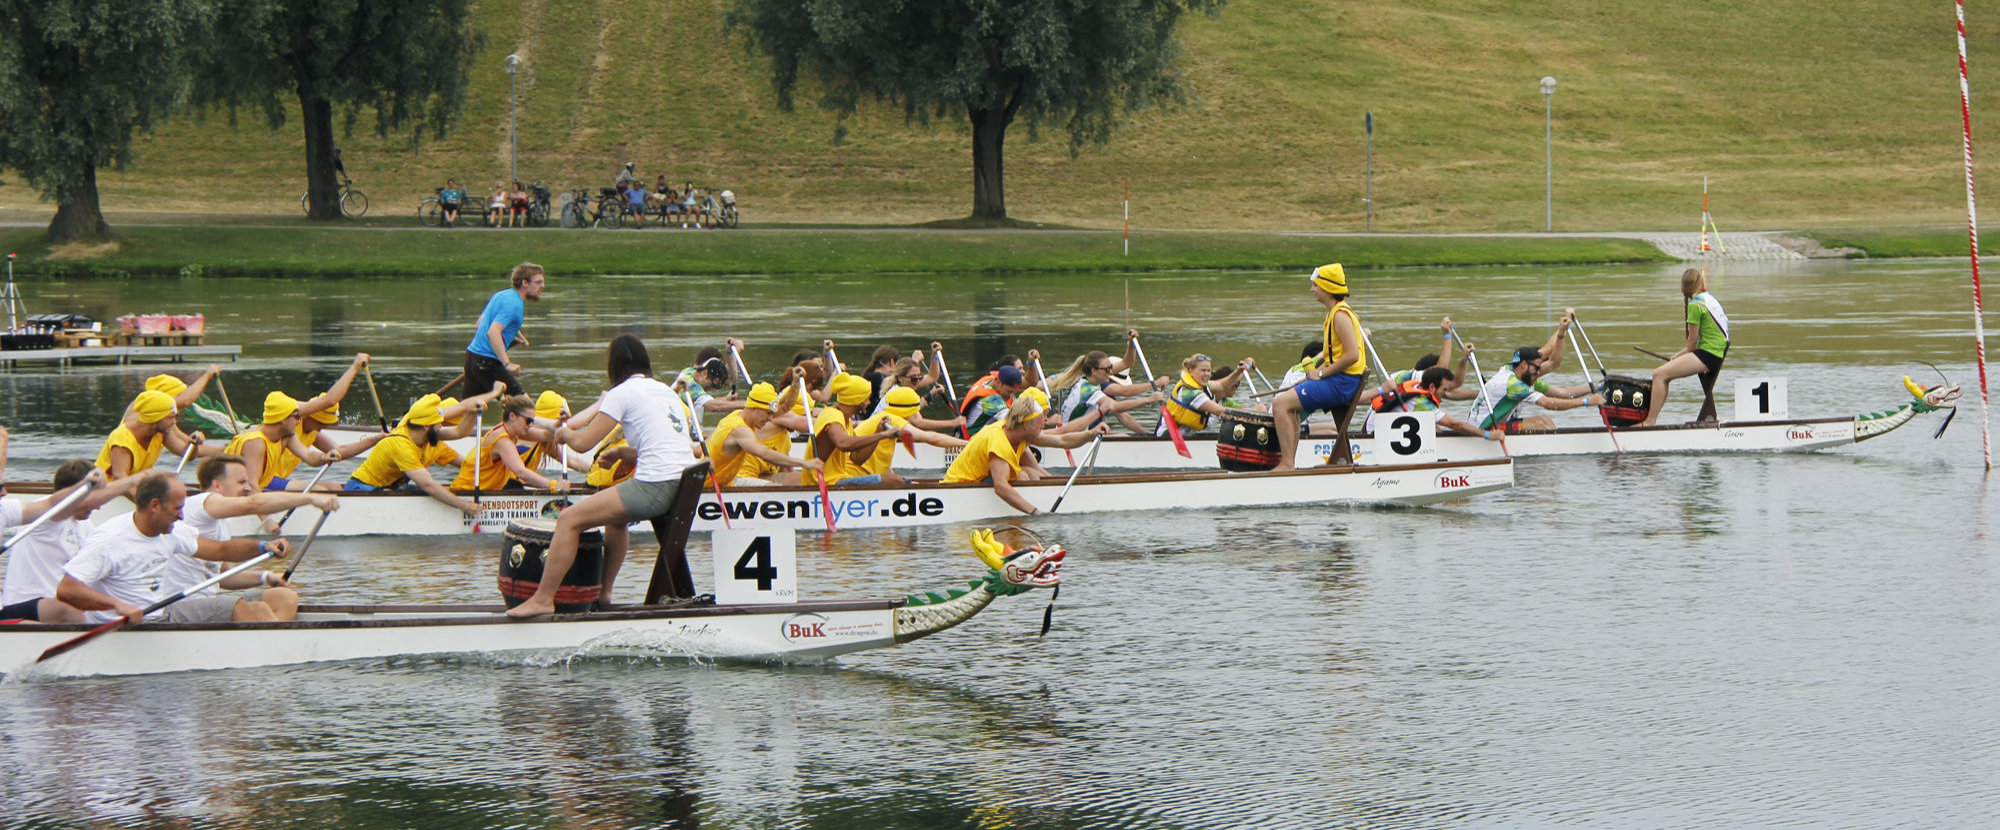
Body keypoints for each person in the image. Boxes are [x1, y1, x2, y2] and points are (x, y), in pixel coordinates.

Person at [507, 334, 700, 618]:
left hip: (657, 486)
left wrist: (564, 434)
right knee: (616, 521)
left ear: (614, 367)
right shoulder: (665, 391)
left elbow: (584, 443)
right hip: (682, 484)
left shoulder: (622, 393)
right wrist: (624, 454)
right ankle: (604, 593)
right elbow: (669, 447)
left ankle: (543, 599)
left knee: (569, 519)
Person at [57, 472, 294, 625]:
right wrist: (118, 606)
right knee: (240, 607)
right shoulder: (110, 540)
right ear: (155, 506)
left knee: (280, 600)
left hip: (160, 614)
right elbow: (67, 589)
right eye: (177, 509)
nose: (182, 516)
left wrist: (263, 546)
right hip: (123, 625)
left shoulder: (171, 530)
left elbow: (220, 551)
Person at [178, 454, 338, 619]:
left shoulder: (222, 521)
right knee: (259, 609)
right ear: (217, 486)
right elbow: (253, 504)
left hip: (209, 600)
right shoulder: (202, 502)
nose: (248, 488)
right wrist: (310, 498)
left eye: (247, 482)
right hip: (182, 605)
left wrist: (265, 577)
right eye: (241, 482)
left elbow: (225, 576)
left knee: (285, 597)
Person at [0, 453, 136, 623]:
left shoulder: (85, 526)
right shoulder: (45, 518)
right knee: (70, 610)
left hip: (60, 607)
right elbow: (55, 505)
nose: (99, 506)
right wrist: (131, 481)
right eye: (95, 498)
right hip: (25, 606)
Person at [1273, 264, 1368, 469]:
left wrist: (1321, 373)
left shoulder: (1340, 315)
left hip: (1343, 384)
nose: (1312, 289)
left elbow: (1352, 355)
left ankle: (1287, 464)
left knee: (1280, 404)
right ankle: (1289, 462)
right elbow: (1336, 355)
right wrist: (1315, 373)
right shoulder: (1336, 313)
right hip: (1341, 380)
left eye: (1315, 285)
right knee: (1292, 408)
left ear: (1326, 287)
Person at [941, 394, 1101, 515]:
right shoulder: (998, 440)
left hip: (976, 482)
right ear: (1026, 424)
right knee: (1024, 476)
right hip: (959, 487)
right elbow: (1000, 487)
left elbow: (1062, 440)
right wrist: (1035, 513)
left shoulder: (1020, 433)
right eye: (1040, 422)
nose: (1044, 425)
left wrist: (1091, 434)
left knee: (1032, 472)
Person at [343, 394, 483, 518]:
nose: (442, 426)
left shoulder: (425, 432)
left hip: (392, 489)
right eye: (439, 423)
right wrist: (465, 506)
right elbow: (428, 485)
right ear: (426, 426)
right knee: (427, 489)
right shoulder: (401, 445)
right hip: (361, 488)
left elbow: (460, 433)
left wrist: (472, 412)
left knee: (439, 491)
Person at [1639, 268, 1730, 426]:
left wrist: (1680, 357)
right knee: (1664, 376)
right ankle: (1651, 420)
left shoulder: (1695, 305)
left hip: (1708, 355)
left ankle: (1649, 422)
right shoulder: (1708, 298)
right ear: (1700, 283)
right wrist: (1677, 356)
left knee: (1659, 375)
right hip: (1713, 353)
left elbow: (1692, 342)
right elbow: (1695, 344)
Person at [826, 386, 967, 486]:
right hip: (851, 478)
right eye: (916, 412)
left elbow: (882, 463)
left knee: (904, 481)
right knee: (899, 482)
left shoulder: (885, 418)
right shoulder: (893, 419)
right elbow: (932, 438)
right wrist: (968, 444)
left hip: (861, 473)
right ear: (908, 410)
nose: (918, 416)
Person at [1466, 337, 1604, 433]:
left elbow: (1562, 393)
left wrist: (1562, 329)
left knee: (1545, 419)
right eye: (1537, 368)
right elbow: (1549, 404)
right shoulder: (1515, 385)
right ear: (1524, 364)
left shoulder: (1511, 370)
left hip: (1492, 423)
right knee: (1538, 425)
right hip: (1483, 430)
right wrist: (1587, 402)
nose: (1539, 372)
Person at [224, 391, 343, 498]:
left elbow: (309, 457)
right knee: (318, 491)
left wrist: (324, 457)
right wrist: (267, 521)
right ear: (282, 418)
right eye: (296, 417)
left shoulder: (287, 437)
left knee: (331, 489)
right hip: (228, 494)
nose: (299, 421)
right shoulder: (255, 442)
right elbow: (251, 486)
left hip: (260, 486)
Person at [706, 379, 821, 487]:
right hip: (724, 482)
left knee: (806, 479)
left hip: (727, 480)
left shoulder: (738, 414)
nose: (771, 419)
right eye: (768, 413)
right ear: (754, 408)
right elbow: (765, 454)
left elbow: (784, 407)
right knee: (779, 492)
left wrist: (795, 385)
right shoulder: (740, 429)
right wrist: (804, 463)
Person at [452, 396, 572, 492]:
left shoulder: (515, 432)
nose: (530, 425)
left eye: (532, 421)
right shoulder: (502, 440)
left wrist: (559, 422)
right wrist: (554, 485)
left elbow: (546, 435)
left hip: (487, 491)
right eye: (528, 421)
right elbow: (520, 472)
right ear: (513, 416)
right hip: (467, 492)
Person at [464, 262, 545, 397]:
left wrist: (509, 337)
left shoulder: (502, 295)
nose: (542, 286)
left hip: (472, 358)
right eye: (538, 282)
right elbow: (493, 331)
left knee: (469, 409)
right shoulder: (514, 305)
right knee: (524, 406)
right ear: (525, 282)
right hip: (487, 362)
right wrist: (507, 364)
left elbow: (480, 325)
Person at [97, 389, 215, 480]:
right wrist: (146, 506)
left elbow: (187, 455)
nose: (174, 423)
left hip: (135, 490)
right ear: (155, 418)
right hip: (108, 495)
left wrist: (193, 444)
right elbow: (120, 478)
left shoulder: (160, 432)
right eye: (170, 418)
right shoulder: (122, 439)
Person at [1044, 350, 1165, 434]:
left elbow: (1126, 363)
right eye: (1107, 369)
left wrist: (1131, 345)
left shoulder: (1084, 381)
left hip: (1073, 435)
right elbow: (1116, 406)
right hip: (1069, 438)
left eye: (1111, 368)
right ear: (1094, 370)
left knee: (1122, 436)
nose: (1111, 372)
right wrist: (1148, 399)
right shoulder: (1089, 390)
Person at [1364, 367, 1496, 438]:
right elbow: (1455, 424)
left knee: (1435, 429)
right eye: (1444, 390)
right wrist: (1487, 434)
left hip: (1373, 428)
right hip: (1372, 436)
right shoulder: (1422, 403)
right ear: (1432, 387)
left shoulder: (1415, 384)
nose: (1445, 394)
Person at [1158, 353, 1258, 436]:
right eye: (1203, 370)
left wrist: (1240, 370)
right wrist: (1255, 415)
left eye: (1208, 371)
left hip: (1185, 438)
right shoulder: (1190, 393)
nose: (1206, 374)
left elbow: (1223, 385)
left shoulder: (1201, 384)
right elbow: (1220, 411)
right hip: (1167, 438)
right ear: (1190, 371)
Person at [960, 365, 1028, 433]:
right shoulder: (991, 400)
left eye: (1015, 392)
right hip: (971, 439)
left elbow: (1028, 382)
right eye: (1009, 391)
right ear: (998, 382)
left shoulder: (988, 379)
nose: (1012, 396)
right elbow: (1013, 425)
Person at [676, 347, 744, 414]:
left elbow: (730, 380)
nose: (714, 389)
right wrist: (747, 404)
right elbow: (712, 406)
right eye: (714, 385)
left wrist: (732, 353)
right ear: (705, 373)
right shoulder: (689, 385)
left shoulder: (689, 371)